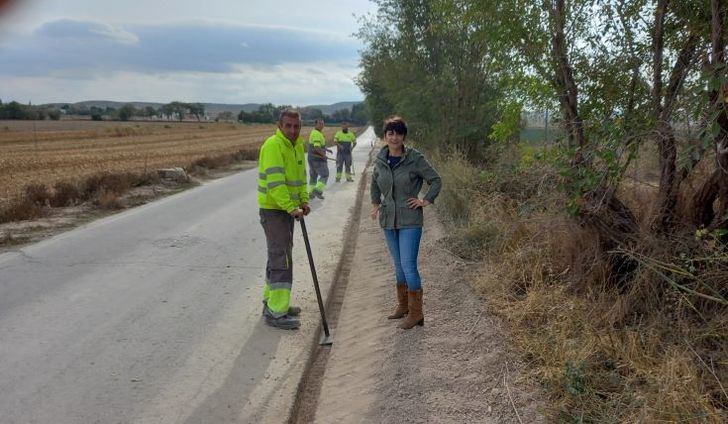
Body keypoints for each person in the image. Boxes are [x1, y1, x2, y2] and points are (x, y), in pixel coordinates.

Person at [370, 116, 442, 329]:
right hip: (388, 220)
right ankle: (403, 307)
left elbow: (436, 180)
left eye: (399, 133)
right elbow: (375, 182)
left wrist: (425, 200)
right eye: (390, 133)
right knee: (399, 267)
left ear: (404, 136)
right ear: (385, 136)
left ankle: (417, 314)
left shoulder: (414, 158)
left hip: (410, 220)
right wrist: (375, 203)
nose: (394, 137)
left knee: (409, 266)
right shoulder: (381, 158)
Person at [257, 109, 311, 330]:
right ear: (279, 125)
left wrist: (304, 201)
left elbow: (300, 178)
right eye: (288, 125)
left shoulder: (297, 145)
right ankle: (277, 313)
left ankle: (271, 303)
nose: (292, 130)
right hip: (274, 211)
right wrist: (291, 208)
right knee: (282, 260)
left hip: (286, 211)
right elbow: (276, 184)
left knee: (278, 255)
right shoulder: (273, 146)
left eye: (296, 126)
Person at [307, 118, 331, 199]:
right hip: (318, 159)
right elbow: (317, 147)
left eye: (323, 123)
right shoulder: (317, 134)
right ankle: (317, 191)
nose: (322, 125)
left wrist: (326, 149)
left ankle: (310, 193)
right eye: (320, 123)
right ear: (315, 124)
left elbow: (319, 146)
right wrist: (324, 155)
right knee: (325, 175)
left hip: (311, 159)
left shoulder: (315, 133)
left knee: (313, 177)